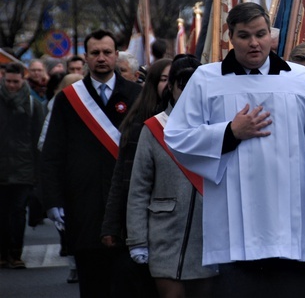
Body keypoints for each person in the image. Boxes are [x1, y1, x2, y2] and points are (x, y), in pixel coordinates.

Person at [164, 2, 305, 297]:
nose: (254, 43)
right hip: (235, 226)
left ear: (271, 36)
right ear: (230, 37)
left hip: (291, 223)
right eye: (245, 35)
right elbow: (177, 137)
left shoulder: (298, 80)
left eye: (261, 34)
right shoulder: (206, 80)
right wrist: (229, 133)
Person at [40, 29, 142, 298]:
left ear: (116, 55)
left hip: (128, 206)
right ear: (85, 57)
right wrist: (52, 200)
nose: (101, 58)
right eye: (95, 53)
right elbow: (52, 154)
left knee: (128, 285)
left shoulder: (136, 95)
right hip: (84, 205)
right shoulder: (68, 99)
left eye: (107, 52)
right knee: (93, 285)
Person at [127, 54, 218, 297]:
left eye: (194, 83)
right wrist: (136, 239)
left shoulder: (219, 126)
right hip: (165, 234)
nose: (188, 90)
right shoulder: (154, 127)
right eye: (182, 83)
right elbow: (139, 189)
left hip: (208, 235)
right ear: (171, 86)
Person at [100, 59, 172, 298]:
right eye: (164, 79)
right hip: (138, 223)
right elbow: (122, 179)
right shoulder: (138, 126)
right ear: (153, 84)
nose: (170, 86)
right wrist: (112, 226)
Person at [37, 72, 83, 283]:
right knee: (69, 225)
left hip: (85, 176)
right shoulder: (57, 108)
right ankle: (74, 264)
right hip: (66, 176)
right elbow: (44, 143)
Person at [0, 62, 45, 269]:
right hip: (2, 166)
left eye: (15, 82)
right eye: (7, 81)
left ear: (22, 80)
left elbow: (38, 138)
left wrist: (38, 171)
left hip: (24, 167)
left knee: (18, 212)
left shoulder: (32, 103)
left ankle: (15, 253)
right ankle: (2, 254)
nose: (11, 86)